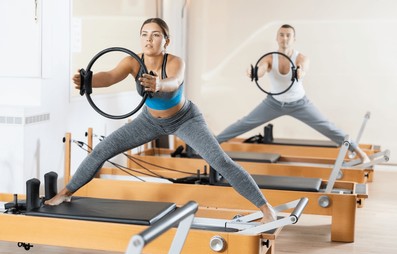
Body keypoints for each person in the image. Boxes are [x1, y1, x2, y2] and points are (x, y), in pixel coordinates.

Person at [45, 18, 276, 223]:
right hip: (149, 121)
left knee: (221, 162)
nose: (149, 39)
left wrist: (158, 84)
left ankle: (266, 210)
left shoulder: (175, 61)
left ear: (166, 41)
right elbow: (110, 77)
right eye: (145, 34)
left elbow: (173, 82)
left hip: (185, 119)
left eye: (155, 35)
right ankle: (65, 193)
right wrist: (88, 81)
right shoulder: (133, 62)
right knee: (101, 151)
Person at [216, 24, 370, 163]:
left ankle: (359, 152)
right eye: (281, 35)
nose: (285, 38)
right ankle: (210, 143)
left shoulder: (301, 57)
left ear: (294, 39)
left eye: (288, 35)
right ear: (277, 38)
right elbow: (262, 69)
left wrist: (300, 73)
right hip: (273, 103)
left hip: (299, 103)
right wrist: (254, 73)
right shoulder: (270, 58)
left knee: (328, 127)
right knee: (244, 123)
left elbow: (302, 68)